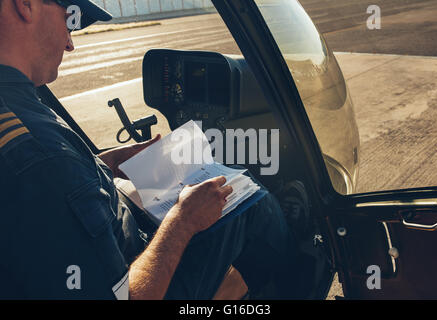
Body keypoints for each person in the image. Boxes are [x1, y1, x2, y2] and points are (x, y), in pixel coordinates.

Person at [0, 0, 312, 299]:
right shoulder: (42, 157)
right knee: (253, 203)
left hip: (113, 238)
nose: (70, 43)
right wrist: (182, 220)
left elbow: (51, 194)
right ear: (25, 3)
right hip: (133, 273)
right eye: (71, 18)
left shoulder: (17, 101)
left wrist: (104, 164)